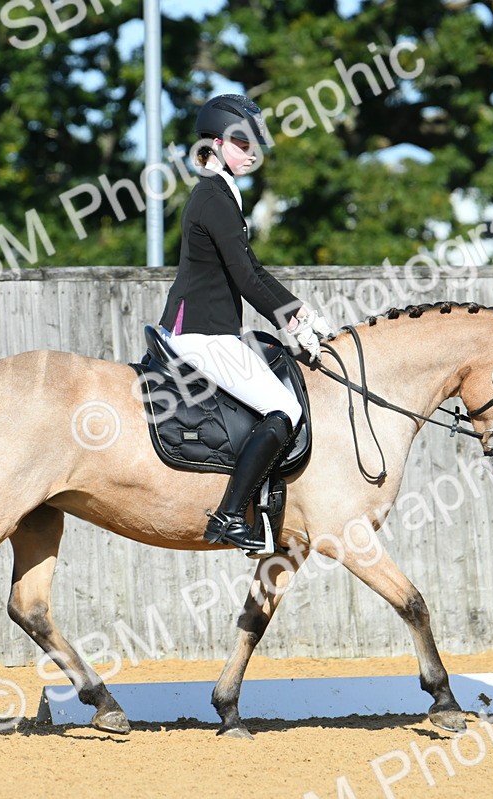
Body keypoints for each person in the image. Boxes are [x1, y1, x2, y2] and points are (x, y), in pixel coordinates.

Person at [156, 94, 335, 554]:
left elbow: (252, 268)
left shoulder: (222, 193)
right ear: (215, 144)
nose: (251, 152)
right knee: (285, 409)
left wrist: (300, 312)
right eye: (241, 142)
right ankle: (230, 515)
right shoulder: (212, 197)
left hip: (210, 330)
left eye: (255, 143)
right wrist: (292, 320)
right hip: (201, 334)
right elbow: (245, 278)